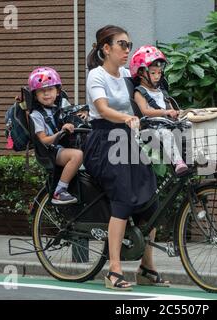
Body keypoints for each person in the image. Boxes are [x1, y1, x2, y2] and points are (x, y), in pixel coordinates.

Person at [84, 25, 170, 291]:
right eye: (122, 44)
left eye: (129, 45)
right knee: (122, 198)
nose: (127, 50)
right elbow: (102, 109)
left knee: (150, 200)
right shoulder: (96, 76)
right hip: (103, 142)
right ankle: (114, 270)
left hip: (128, 140)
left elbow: (146, 91)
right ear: (106, 48)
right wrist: (127, 118)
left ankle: (146, 268)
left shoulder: (127, 75)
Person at [28, 67, 83, 205]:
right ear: (35, 95)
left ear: (58, 91)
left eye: (50, 89)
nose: (46, 94)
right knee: (77, 155)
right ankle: (59, 191)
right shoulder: (36, 115)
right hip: (51, 151)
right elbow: (44, 140)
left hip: (63, 146)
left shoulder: (62, 105)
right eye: (41, 91)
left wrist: (83, 114)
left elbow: (74, 114)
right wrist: (61, 132)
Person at [130, 45, 188, 175]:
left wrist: (176, 113)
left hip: (167, 124)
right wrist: (164, 112)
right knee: (166, 134)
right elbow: (145, 111)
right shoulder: (139, 92)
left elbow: (169, 107)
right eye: (152, 73)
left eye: (159, 72)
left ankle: (203, 160)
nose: (157, 76)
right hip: (151, 128)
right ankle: (178, 162)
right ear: (141, 73)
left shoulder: (161, 90)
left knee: (190, 127)